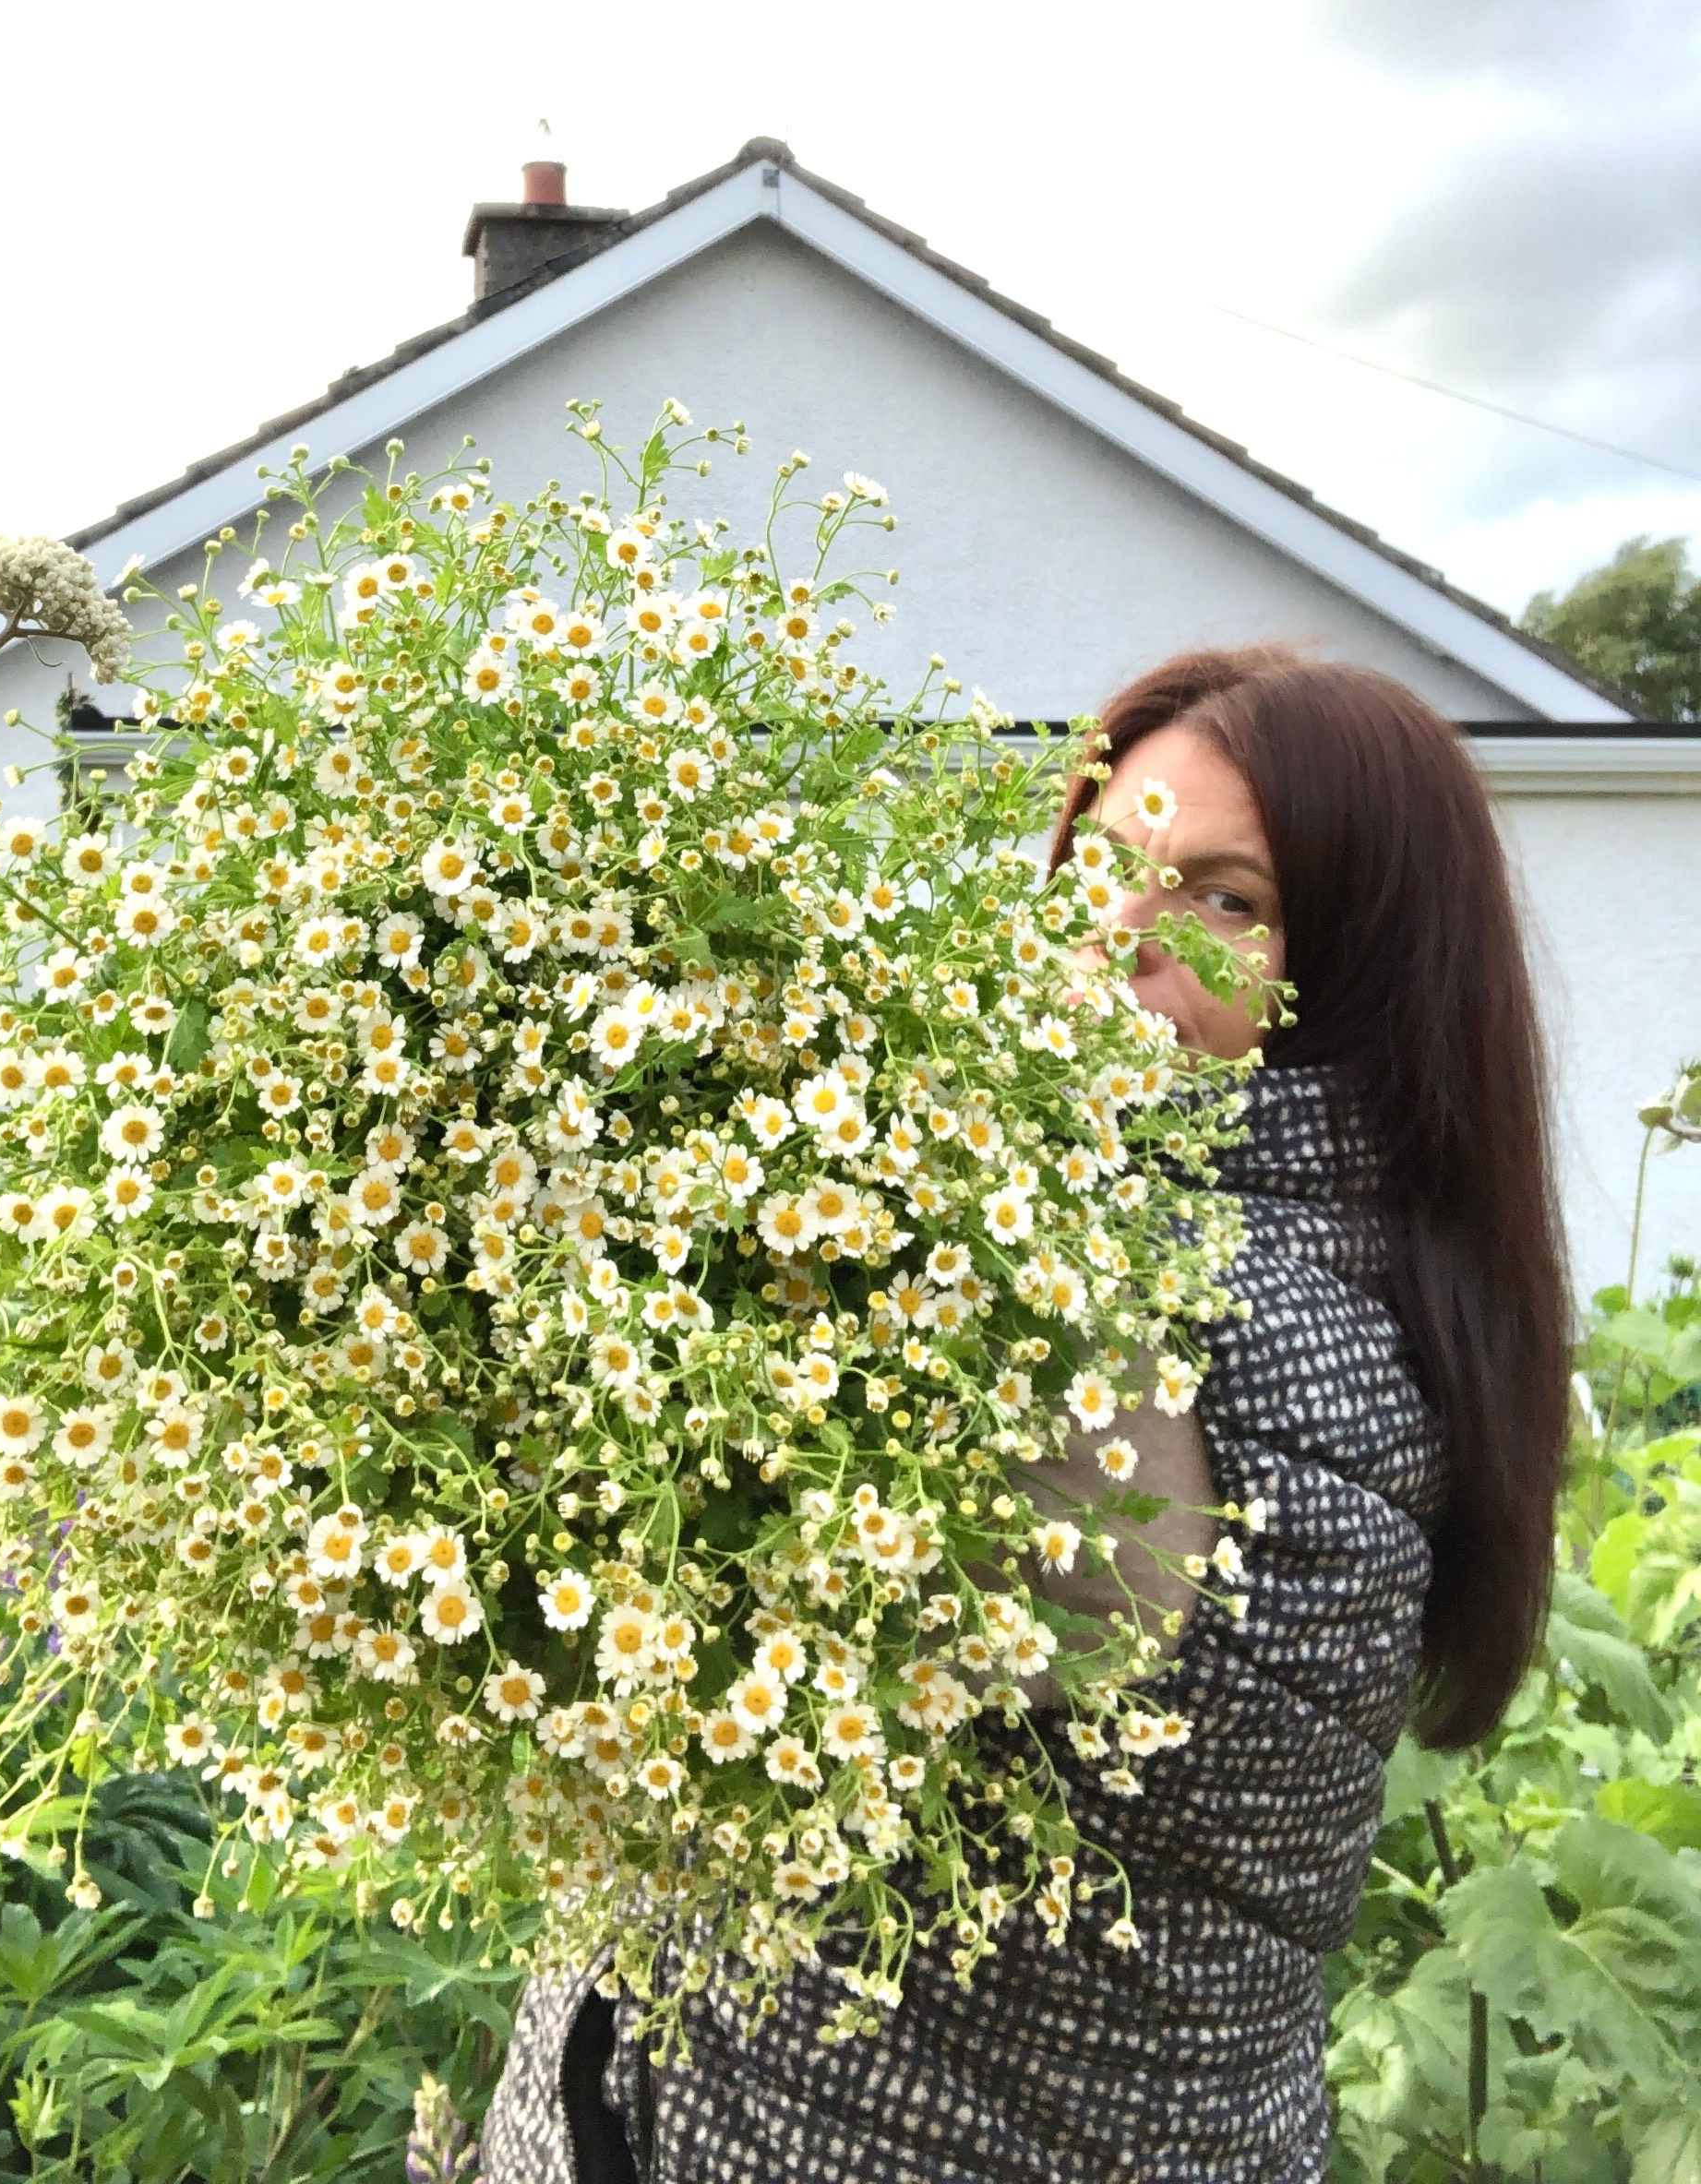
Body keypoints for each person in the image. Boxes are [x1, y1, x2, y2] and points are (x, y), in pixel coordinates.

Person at [480, 646, 1572, 2184]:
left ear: (1374, 972)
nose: (1122, 936)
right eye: (1105, 869)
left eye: (1226, 900)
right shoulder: (1376, 1290)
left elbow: (659, 1591)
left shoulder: (1143, 1309)